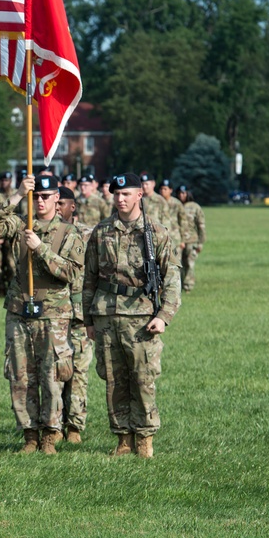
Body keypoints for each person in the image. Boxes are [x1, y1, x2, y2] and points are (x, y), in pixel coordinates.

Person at [0, 173, 84, 454]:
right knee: (20, 374)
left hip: (52, 313)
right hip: (19, 310)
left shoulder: (68, 232)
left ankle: (50, 435)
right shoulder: (19, 225)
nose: (40, 201)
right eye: (35, 197)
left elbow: (71, 272)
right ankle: (29, 435)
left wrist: (40, 250)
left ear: (56, 199)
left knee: (51, 375)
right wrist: (16, 195)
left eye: (45, 196)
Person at [83, 173, 181, 458]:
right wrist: (88, 320)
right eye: (117, 194)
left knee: (142, 377)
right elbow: (88, 279)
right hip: (106, 314)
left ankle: (145, 437)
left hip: (141, 317)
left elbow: (172, 277)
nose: (120, 199)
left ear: (140, 195)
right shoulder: (101, 232)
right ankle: (123, 437)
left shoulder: (156, 232)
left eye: (126, 194)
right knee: (113, 379)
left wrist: (164, 315)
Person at [56, 186, 94, 443]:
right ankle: (54, 425)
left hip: (80, 315)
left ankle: (74, 427)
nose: (57, 207)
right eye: (54, 203)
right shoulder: (44, 234)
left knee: (79, 372)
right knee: (56, 371)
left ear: (73, 207)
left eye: (62, 203)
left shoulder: (88, 234)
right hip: (54, 314)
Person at [177, 185, 206, 292]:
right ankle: (177, 285)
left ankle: (188, 286)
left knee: (189, 263)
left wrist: (200, 242)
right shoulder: (175, 205)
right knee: (177, 264)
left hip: (192, 240)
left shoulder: (195, 207)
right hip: (178, 240)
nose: (181, 195)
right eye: (179, 193)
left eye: (183, 193)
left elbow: (201, 225)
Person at [159, 179, 189, 265]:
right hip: (161, 238)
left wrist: (183, 240)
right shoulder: (157, 202)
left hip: (175, 238)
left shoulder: (177, 203)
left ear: (171, 190)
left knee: (175, 264)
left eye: (165, 189)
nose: (162, 191)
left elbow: (183, 222)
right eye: (161, 189)